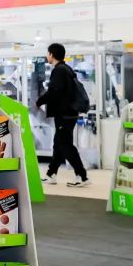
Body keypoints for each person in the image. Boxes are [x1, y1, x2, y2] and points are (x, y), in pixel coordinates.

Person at [36, 43, 89, 187]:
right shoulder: (67, 69)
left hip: (64, 114)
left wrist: (39, 101)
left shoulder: (59, 70)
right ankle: (51, 174)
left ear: (52, 54)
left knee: (65, 145)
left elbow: (53, 92)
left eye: (48, 53)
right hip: (69, 113)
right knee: (58, 144)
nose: (47, 56)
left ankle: (82, 176)